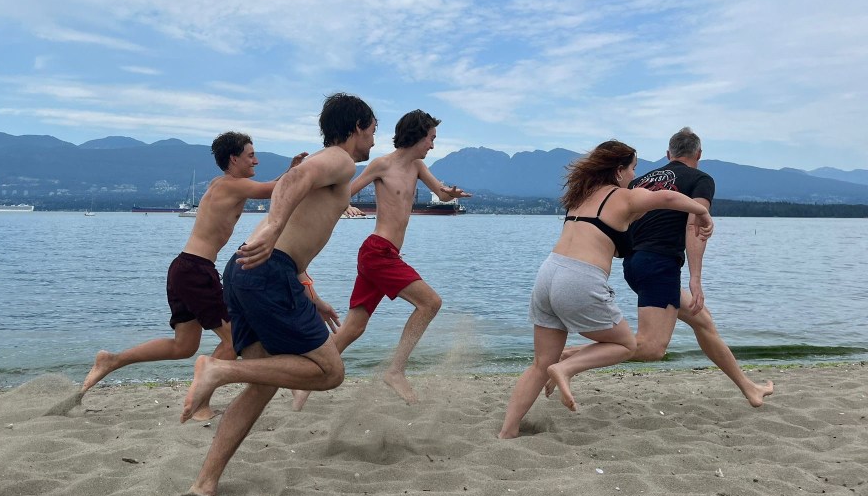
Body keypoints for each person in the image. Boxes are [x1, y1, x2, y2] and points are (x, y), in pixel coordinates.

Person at [180, 93, 376, 496]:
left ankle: (205, 482)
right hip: (268, 270)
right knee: (330, 372)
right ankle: (219, 371)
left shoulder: (331, 166)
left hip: (245, 269)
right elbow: (292, 179)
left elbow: (298, 227)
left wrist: (311, 294)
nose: (374, 139)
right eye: (372, 130)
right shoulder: (340, 159)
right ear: (356, 127)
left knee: (263, 383)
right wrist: (272, 226)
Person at [81, 132, 307, 421]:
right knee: (233, 339)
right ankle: (199, 404)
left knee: (184, 346)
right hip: (196, 271)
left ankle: (113, 360)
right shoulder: (232, 185)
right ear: (233, 159)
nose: (256, 161)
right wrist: (298, 172)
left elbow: (270, 186)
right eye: (251, 155)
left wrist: (288, 171)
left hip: (184, 268)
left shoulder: (221, 184)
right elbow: (275, 190)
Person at [499, 140, 713, 439]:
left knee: (540, 363)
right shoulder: (624, 196)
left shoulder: (580, 197)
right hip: (579, 278)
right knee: (626, 345)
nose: (634, 176)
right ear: (618, 170)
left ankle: (507, 431)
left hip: (548, 274)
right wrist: (702, 212)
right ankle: (566, 369)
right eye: (633, 168)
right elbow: (667, 197)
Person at [293, 109, 470, 410]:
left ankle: (303, 385)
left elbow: (440, 193)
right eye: (431, 138)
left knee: (353, 328)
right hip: (378, 252)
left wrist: (449, 193)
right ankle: (395, 370)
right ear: (418, 135)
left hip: (383, 254)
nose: (433, 145)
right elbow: (346, 190)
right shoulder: (381, 165)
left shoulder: (417, 166)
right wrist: (342, 204)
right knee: (430, 303)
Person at [624, 127, 774, 406]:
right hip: (659, 264)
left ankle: (749, 388)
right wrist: (695, 278)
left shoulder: (640, 180)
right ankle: (567, 358)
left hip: (635, 264)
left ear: (668, 154)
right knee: (651, 348)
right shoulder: (700, 179)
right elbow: (695, 225)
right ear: (699, 154)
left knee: (702, 321)